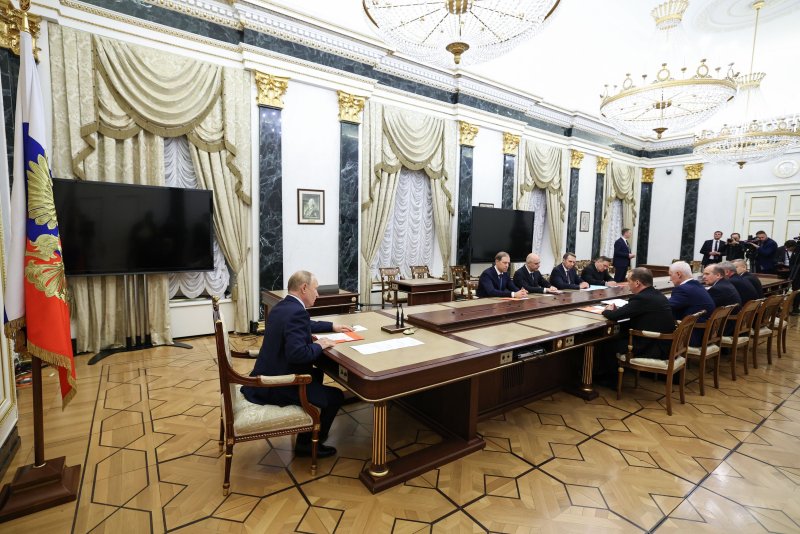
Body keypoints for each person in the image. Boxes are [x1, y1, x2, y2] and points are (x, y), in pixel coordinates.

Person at [241, 270, 353, 458]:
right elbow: (298, 354)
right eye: (316, 289)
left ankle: (307, 436)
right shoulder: (296, 313)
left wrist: (331, 327)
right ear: (304, 288)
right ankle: (308, 445)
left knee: (316, 375)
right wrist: (319, 344)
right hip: (278, 385)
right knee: (335, 397)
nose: (317, 294)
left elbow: (305, 324)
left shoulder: (283, 306)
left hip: (266, 374)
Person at [602, 268, 676, 360]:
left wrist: (606, 310)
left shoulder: (642, 298)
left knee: (604, 343)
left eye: (629, 281)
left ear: (637, 283)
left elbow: (614, 316)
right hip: (663, 344)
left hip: (651, 348)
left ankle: (607, 374)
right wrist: (620, 311)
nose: (628, 285)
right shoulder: (657, 294)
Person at [667, 261, 716, 346]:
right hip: (705, 335)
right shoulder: (697, 285)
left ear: (679, 274)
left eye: (670, 275)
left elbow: (666, 307)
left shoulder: (683, 289)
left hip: (691, 337)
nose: (670, 279)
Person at [703, 264, 741, 335]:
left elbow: (706, 308)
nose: (704, 277)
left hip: (725, 328)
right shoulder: (725, 284)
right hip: (731, 324)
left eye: (707, 274)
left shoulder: (718, 289)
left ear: (718, 275)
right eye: (703, 274)